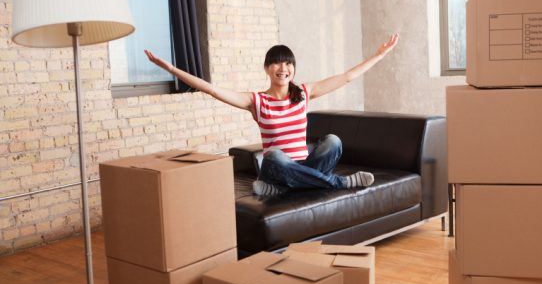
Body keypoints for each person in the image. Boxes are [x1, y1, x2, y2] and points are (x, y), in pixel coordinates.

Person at [144, 33, 399, 197]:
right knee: (274, 156)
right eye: (277, 62)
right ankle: (339, 183)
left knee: (333, 141)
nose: (283, 68)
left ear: (293, 69)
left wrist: (379, 55)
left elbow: (346, 77)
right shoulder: (256, 101)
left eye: (288, 63)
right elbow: (211, 89)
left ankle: (280, 190)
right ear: (267, 68)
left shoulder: (304, 93)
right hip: (277, 168)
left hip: (303, 166)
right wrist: (171, 69)